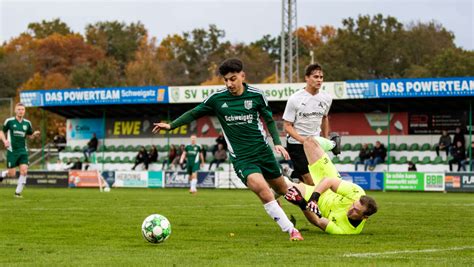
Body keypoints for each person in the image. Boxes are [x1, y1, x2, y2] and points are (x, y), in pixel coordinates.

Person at [153, 58, 304, 241]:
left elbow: (269, 120)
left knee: (281, 188)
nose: (229, 83)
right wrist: (171, 126)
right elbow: (194, 112)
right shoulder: (217, 99)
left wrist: (277, 142)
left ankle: (278, 200)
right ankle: (291, 230)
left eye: (233, 79)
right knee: (261, 188)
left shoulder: (256, 95)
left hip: (263, 152)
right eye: (226, 80)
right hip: (242, 158)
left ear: (242, 76)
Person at [284, 137, 378, 235]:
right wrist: (314, 198)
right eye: (353, 205)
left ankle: (284, 181)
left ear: (365, 217)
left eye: (356, 211)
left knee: (283, 187)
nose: (351, 209)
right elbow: (329, 181)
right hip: (327, 183)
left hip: (318, 203)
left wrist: (302, 203)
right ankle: (333, 144)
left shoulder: (346, 231)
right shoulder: (357, 193)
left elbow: (318, 221)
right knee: (309, 142)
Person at [282, 63, 340, 185]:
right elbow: (287, 126)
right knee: (310, 181)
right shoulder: (295, 99)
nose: (319, 80)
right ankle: (294, 177)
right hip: (296, 144)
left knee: (314, 179)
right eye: (315, 77)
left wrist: (325, 140)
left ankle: (291, 176)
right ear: (307, 78)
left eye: (321, 77)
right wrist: (304, 141)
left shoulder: (326, 98)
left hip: (315, 142)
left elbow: (324, 118)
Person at [0, 103, 41, 197]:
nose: (20, 111)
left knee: (24, 171)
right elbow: (1, 131)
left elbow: (29, 136)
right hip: (12, 150)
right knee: (12, 173)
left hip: (23, 150)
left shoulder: (27, 123)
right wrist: (5, 140)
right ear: (15, 110)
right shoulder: (9, 121)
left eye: (22, 109)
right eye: (19, 109)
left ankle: (17, 193)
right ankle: (3, 173)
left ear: (24, 111)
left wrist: (34, 134)